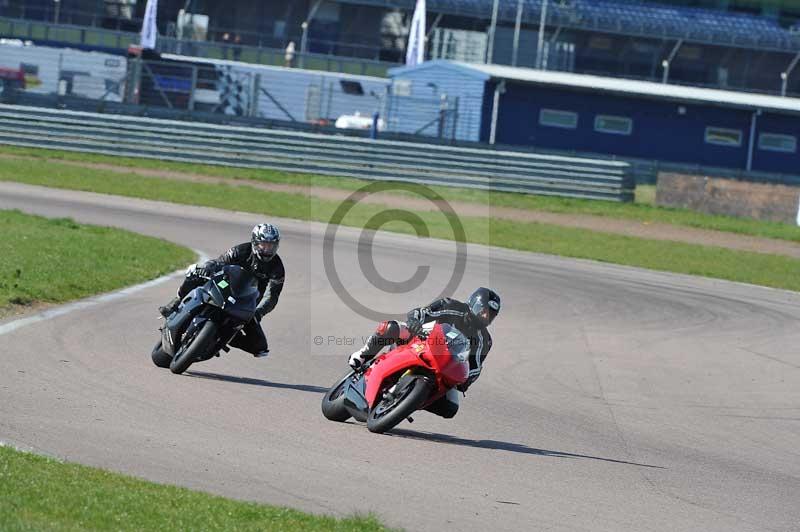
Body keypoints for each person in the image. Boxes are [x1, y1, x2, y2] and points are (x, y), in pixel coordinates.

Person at [348, 287, 501, 419]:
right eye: (483, 311)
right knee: (392, 328)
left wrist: (465, 380)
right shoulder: (451, 305)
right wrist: (415, 322)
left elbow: (475, 367)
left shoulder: (484, 340)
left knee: (450, 407)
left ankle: (407, 402)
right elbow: (420, 312)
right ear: (474, 304)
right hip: (420, 340)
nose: (485, 317)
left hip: (444, 367)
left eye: (491, 315)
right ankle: (362, 356)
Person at [159, 224, 285, 359]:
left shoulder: (277, 268)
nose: (267, 249)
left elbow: (272, 297)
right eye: (264, 245)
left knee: (260, 347)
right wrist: (207, 268)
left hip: (248, 301)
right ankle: (176, 302)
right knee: (195, 275)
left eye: (271, 245)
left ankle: (224, 339)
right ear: (255, 242)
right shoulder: (240, 250)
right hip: (226, 285)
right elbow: (219, 262)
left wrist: (259, 313)